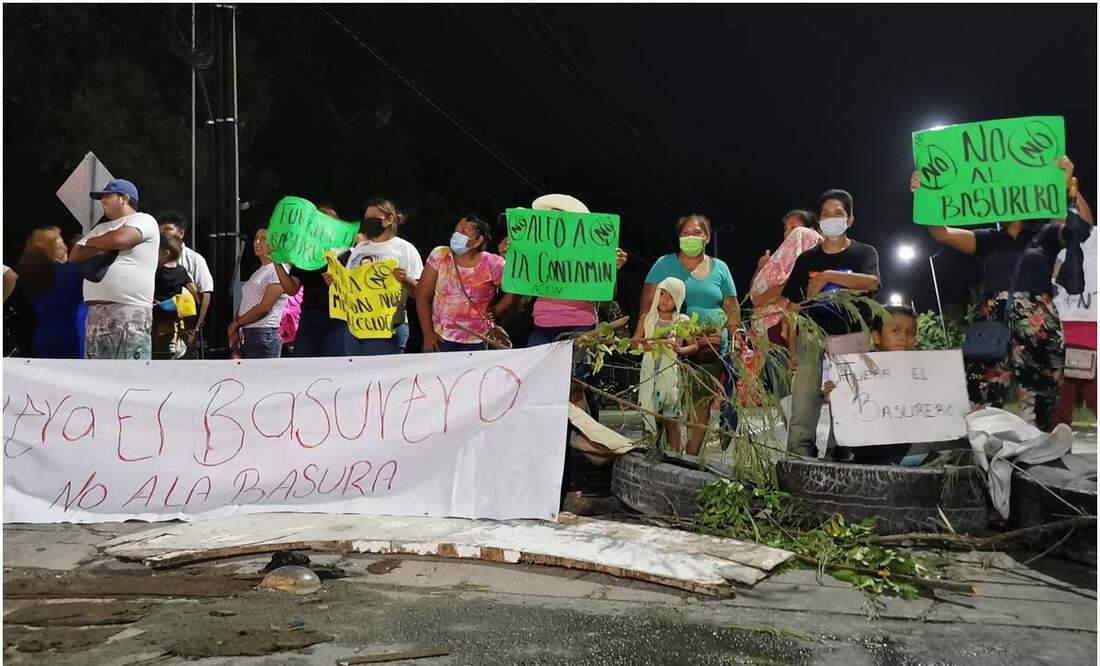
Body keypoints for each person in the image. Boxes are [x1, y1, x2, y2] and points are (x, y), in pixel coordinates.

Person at [912, 156, 1092, 431]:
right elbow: (942, 233)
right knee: (982, 387)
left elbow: (1083, 226)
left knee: (1042, 392)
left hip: (1038, 321)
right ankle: (984, 445)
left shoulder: (1045, 234)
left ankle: (1038, 446)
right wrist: (925, 193)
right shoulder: (987, 239)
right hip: (990, 320)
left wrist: (1068, 184)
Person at [782, 189, 881, 457]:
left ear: (850, 219)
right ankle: (799, 452)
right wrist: (792, 350)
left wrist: (827, 276)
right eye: (825, 214)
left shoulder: (864, 253)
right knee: (803, 399)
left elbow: (872, 282)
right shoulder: (806, 259)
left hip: (851, 337)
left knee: (846, 398)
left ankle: (840, 451)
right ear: (819, 220)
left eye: (838, 213)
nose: (831, 218)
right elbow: (794, 307)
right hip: (811, 337)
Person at [637, 214, 740, 455]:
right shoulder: (663, 264)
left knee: (700, 402)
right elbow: (647, 305)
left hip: (708, 347)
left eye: (696, 233)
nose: (690, 237)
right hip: (667, 346)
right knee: (663, 400)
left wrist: (735, 338)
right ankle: (661, 451)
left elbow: (731, 307)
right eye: (685, 233)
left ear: (707, 237)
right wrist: (644, 337)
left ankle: (691, 457)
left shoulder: (720, 268)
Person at [515, 194, 628, 346]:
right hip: (541, 325)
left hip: (580, 326)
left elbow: (604, 301)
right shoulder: (539, 249)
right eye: (551, 217)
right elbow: (519, 282)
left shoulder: (591, 253)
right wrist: (510, 255)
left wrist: (610, 270)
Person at [69, 179, 160, 360]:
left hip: (129, 311)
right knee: (96, 373)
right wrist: (104, 245)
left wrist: (93, 243)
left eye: (107, 196)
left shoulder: (144, 220)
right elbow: (75, 254)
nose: (102, 201)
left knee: (129, 370)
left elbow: (119, 240)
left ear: (124, 198)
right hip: (95, 313)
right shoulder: (101, 228)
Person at [821, 304, 919, 464]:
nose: (904, 338)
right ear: (877, 337)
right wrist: (835, 396)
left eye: (910, 333)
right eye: (896, 331)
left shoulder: (923, 373)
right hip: (865, 454)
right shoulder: (856, 369)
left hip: (910, 455)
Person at [749, 209, 821, 397]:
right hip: (773, 331)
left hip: (799, 330)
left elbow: (762, 298)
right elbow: (754, 293)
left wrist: (766, 298)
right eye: (786, 229)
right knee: (782, 391)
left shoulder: (811, 263)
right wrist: (760, 268)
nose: (788, 233)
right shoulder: (779, 263)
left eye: (794, 228)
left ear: (809, 232)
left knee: (801, 391)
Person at [416, 215, 514, 352]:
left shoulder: (492, 263)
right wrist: (428, 333)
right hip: (442, 338)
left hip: (479, 339)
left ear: (478, 241)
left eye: (463, 232)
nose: (457, 235)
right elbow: (422, 295)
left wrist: (497, 310)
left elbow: (514, 290)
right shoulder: (440, 255)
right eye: (456, 230)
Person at [339, 198, 423, 355]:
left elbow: (420, 293)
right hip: (356, 329)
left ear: (389, 219)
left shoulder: (405, 249)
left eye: (374, 217)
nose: (368, 221)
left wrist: (406, 280)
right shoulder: (360, 249)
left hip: (388, 328)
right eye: (367, 217)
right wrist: (336, 281)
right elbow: (349, 284)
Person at [271, 206, 349, 357]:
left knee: (337, 365)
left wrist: (340, 279)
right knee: (305, 366)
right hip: (309, 319)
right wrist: (276, 263)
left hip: (338, 320)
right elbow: (291, 289)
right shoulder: (306, 255)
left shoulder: (346, 252)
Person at [636, 277, 697, 452]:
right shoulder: (648, 318)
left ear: (678, 299)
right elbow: (634, 344)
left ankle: (674, 456)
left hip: (671, 375)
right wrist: (654, 344)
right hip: (649, 374)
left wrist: (680, 350)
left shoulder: (681, 321)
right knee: (651, 417)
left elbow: (694, 346)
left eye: (671, 297)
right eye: (662, 294)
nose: (664, 300)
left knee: (671, 419)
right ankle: (651, 452)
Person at [16, 226, 87, 358]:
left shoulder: (33, 276)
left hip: (44, 334)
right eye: (60, 242)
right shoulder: (69, 272)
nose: (64, 246)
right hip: (72, 335)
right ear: (50, 249)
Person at [1053, 218, 1097, 426]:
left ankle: (1059, 427)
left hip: (1069, 325)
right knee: (1087, 383)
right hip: (1092, 326)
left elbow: (1055, 291)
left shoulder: (1062, 256)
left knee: (1068, 385)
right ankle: (1060, 425)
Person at [159, 211, 214, 355]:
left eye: (168, 229)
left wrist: (193, 329)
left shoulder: (195, 259)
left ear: (181, 233)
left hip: (184, 329)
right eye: (160, 230)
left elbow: (205, 295)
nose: (163, 233)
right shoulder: (152, 257)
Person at [229, 227, 288, 359]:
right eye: (256, 238)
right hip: (249, 333)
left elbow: (265, 307)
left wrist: (237, 323)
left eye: (263, 239)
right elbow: (246, 303)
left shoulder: (277, 270)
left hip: (264, 333)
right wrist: (237, 326)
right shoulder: (258, 271)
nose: (257, 242)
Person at [151, 234, 198, 359]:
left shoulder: (158, 271)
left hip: (158, 309)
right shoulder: (182, 271)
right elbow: (193, 289)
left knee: (159, 336)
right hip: (175, 309)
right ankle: (173, 343)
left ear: (166, 253)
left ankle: (162, 350)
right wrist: (197, 301)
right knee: (174, 329)